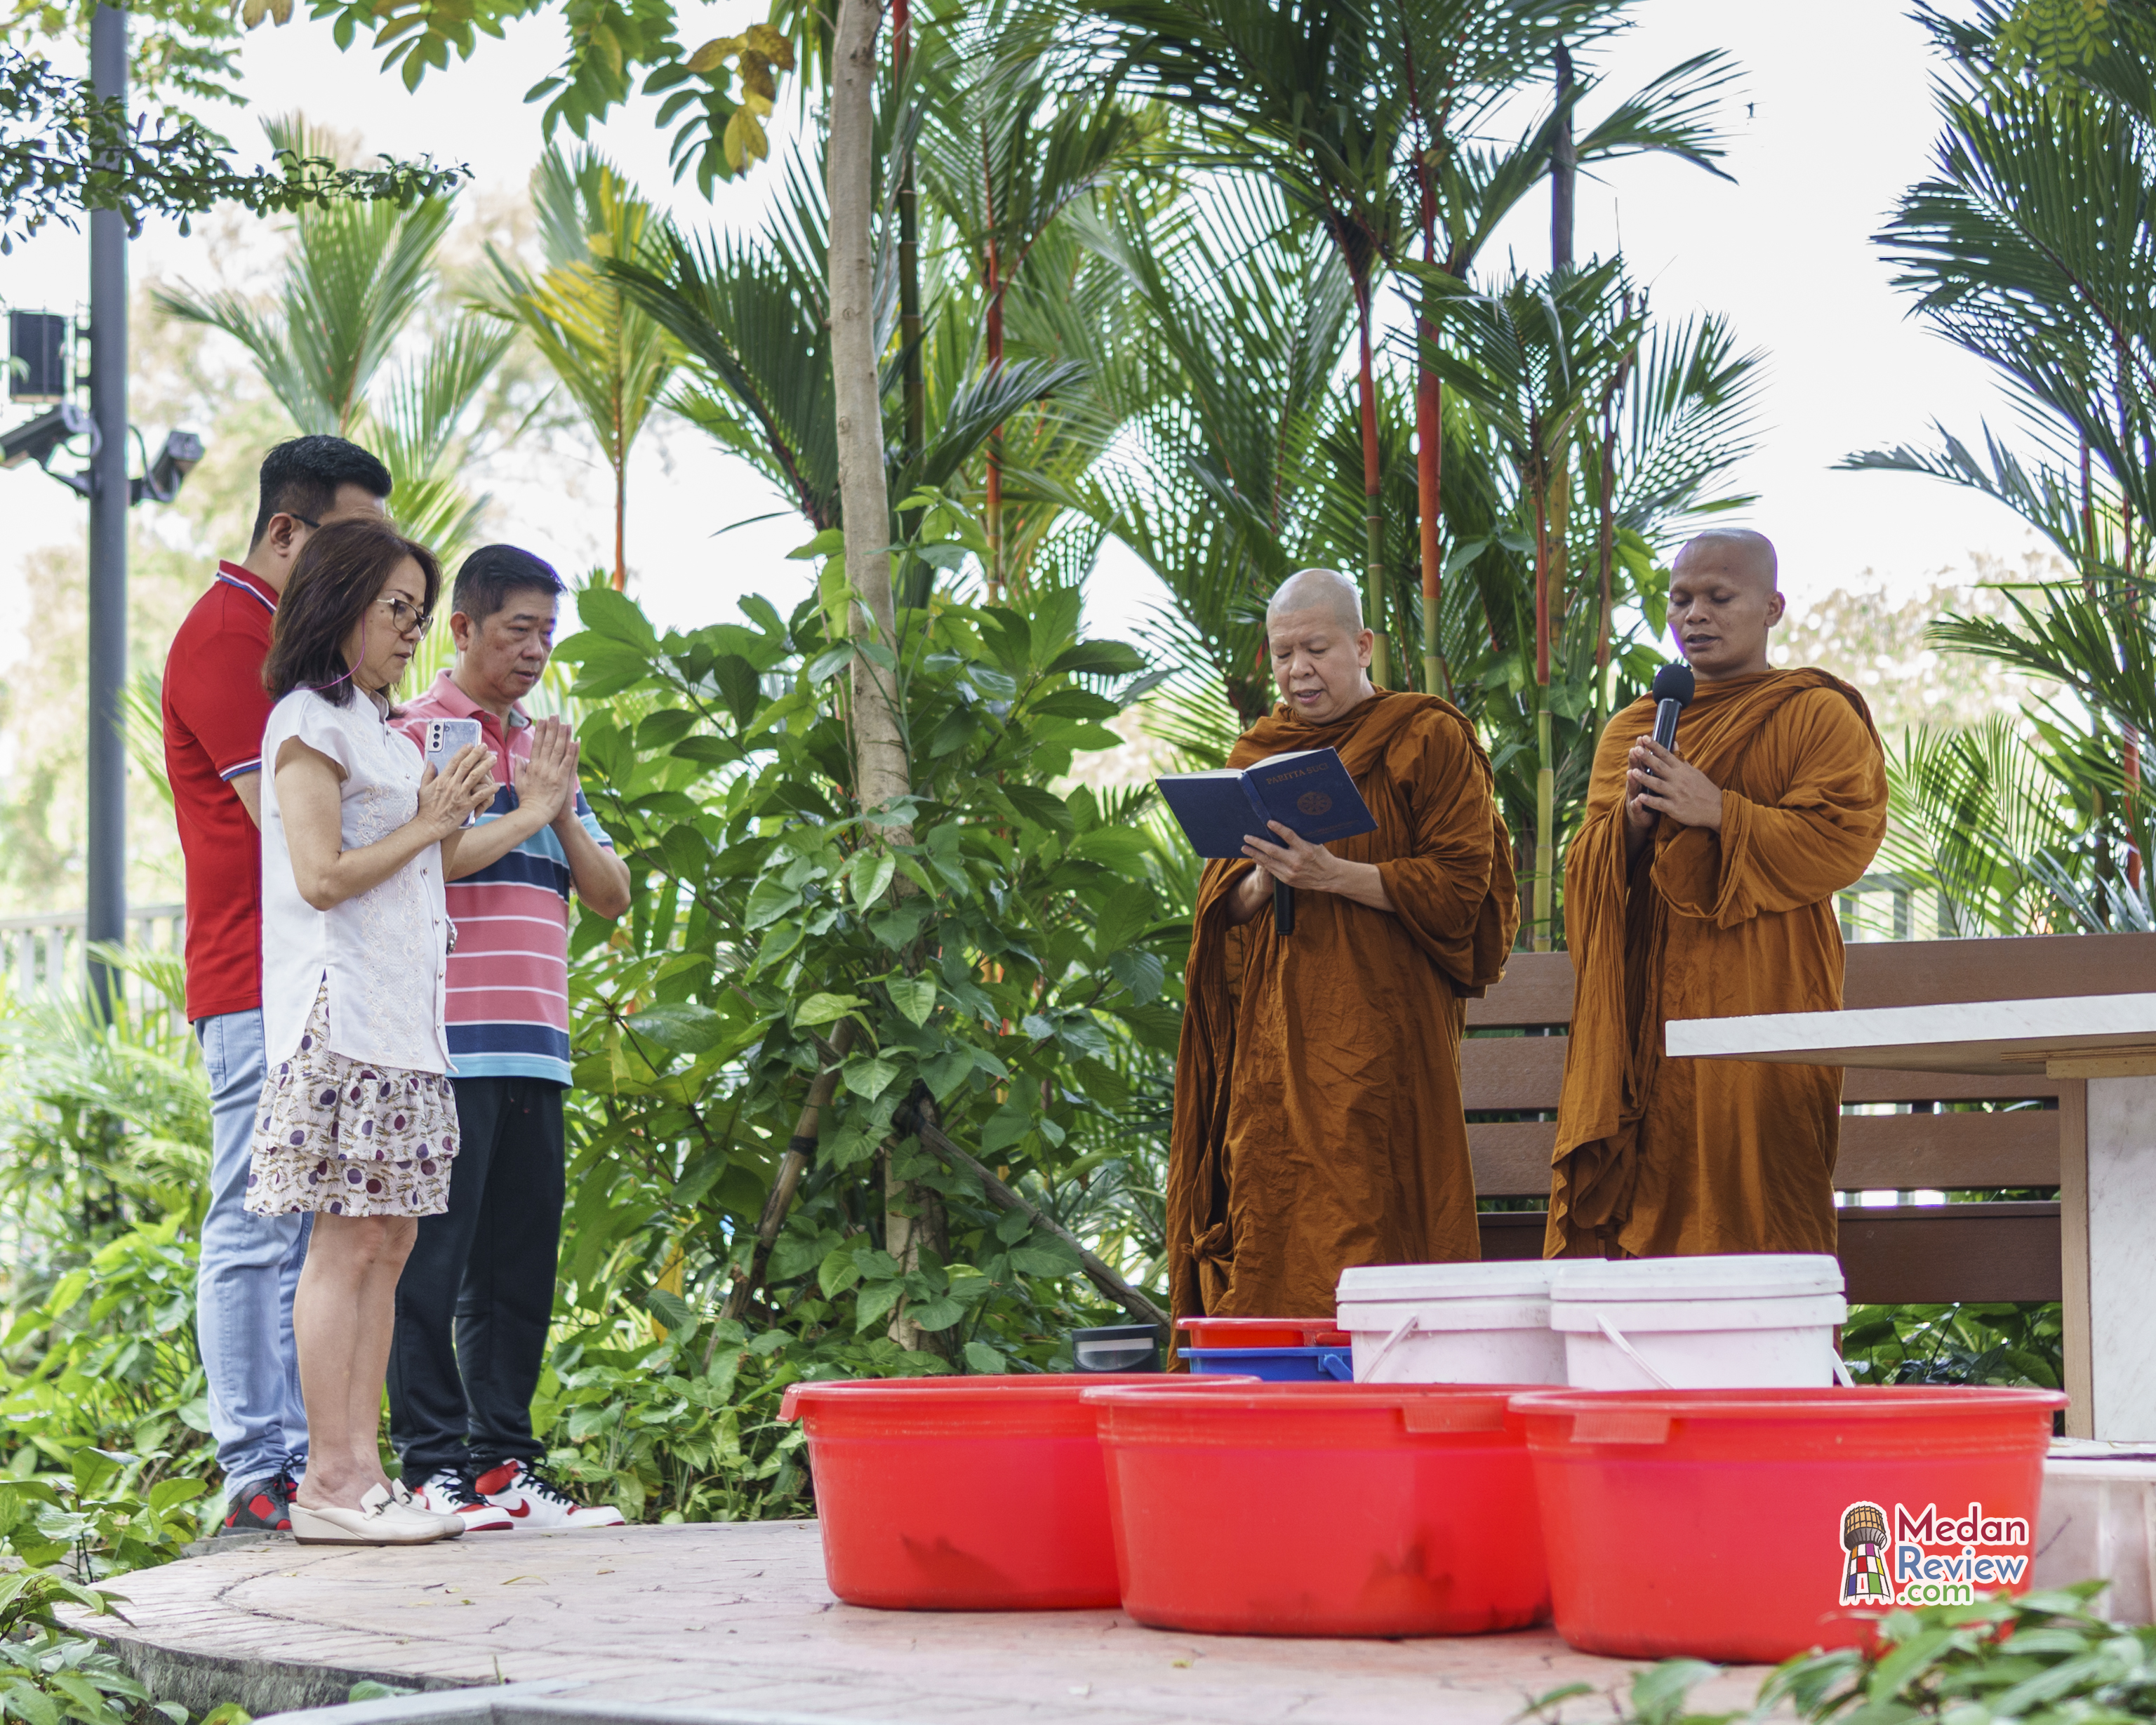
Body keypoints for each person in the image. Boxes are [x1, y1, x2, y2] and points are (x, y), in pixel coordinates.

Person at [1166, 568, 1518, 1322]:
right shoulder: (1260, 750)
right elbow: (1224, 913)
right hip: (1276, 1035)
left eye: (1316, 649)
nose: (1298, 670)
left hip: (1385, 1023)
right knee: (1272, 1192)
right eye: (1283, 653)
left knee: (1378, 1198)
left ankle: (1397, 1376)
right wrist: (1262, 881)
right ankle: (1281, 1388)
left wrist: (1336, 874)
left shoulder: (1427, 735)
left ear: (1361, 645)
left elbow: (1464, 889)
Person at [251, 517, 509, 1544]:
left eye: (416, 610)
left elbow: (420, 861)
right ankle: (334, 1478)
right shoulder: (306, 720)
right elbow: (320, 878)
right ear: (340, 602)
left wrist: (467, 813)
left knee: (391, 1242)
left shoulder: (377, 723)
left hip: (405, 1017)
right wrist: (431, 820)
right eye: (396, 608)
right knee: (346, 1242)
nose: (411, 628)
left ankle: (365, 1474)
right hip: (340, 1011)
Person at [161, 435, 391, 1536]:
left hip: (323, 975)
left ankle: (317, 1468)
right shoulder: (225, 634)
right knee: (259, 1224)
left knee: (319, 1232)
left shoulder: (307, 645)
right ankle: (256, 1463)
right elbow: (303, 828)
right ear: (288, 532)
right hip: (254, 974)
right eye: (351, 545)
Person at [1547, 528, 1889, 1260]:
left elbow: (1843, 840)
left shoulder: (1815, 714)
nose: (1693, 614)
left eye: (1717, 597)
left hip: (1767, 997)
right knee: (1647, 1194)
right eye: (1680, 599)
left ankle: (1775, 1366)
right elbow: (1586, 875)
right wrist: (1631, 830)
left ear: (1772, 606)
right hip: (1648, 1018)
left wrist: (1720, 812)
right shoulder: (1634, 730)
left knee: (1765, 1191)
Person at [390, 546, 632, 1531]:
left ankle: (504, 1466)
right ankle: (432, 1467)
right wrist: (527, 804)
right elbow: (424, 864)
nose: (536, 649)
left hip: (537, 1041)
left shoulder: (544, 750)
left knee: (519, 1267)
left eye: (547, 631)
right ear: (463, 629)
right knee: (431, 1264)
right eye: (517, 628)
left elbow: (611, 895)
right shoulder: (417, 733)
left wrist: (557, 808)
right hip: (448, 1042)